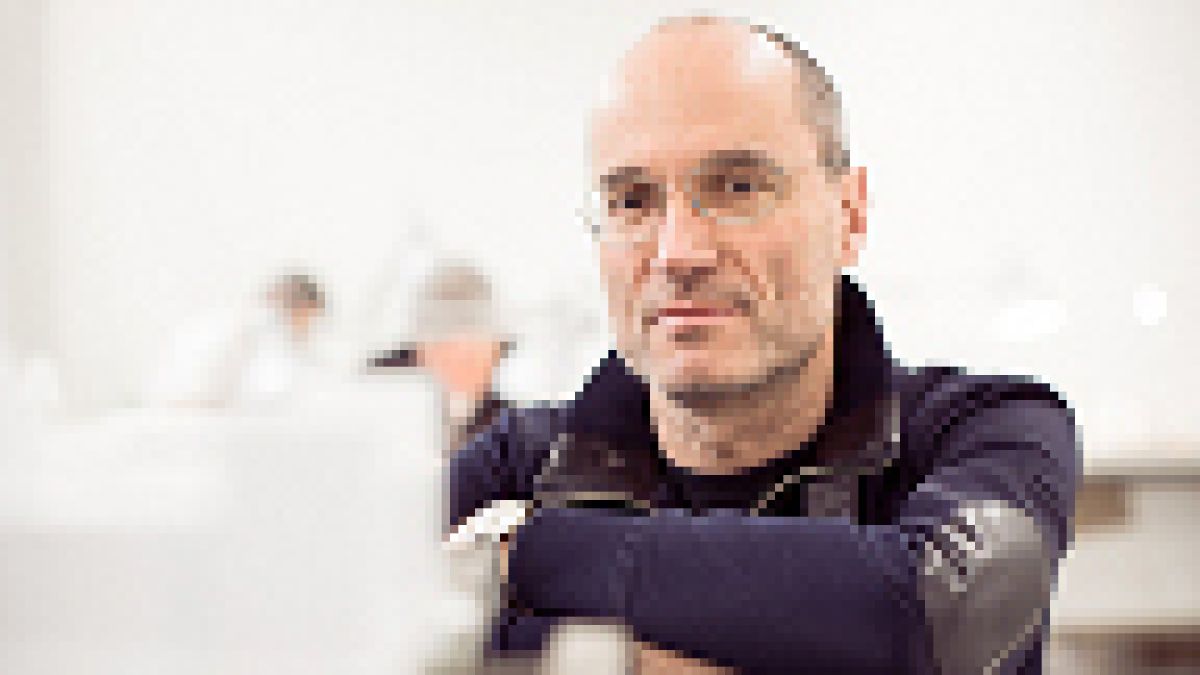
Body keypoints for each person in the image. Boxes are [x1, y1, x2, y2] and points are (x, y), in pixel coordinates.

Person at [447, 16, 1079, 674]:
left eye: (739, 187)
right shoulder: (517, 463)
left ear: (850, 215)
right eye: (633, 200)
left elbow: (934, 611)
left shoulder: (987, 430)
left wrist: (526, 553)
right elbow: (391, 631)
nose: (679, 252)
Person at [367, 261, 512, 454]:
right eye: (442, 335)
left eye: (471, 333)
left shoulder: (516, 428)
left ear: (497, 348)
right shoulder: (378, 398)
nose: (459, 349)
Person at [144, 271, 330, 408]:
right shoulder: (263, 327)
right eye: (310, 317)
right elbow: (266, 391)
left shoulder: (232, 319)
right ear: (302, 306)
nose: (310, 326)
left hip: (168, 408)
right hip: (195, 413)